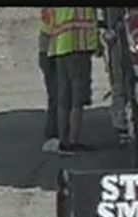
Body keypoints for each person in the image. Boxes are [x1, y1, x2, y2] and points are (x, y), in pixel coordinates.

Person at [41, 7, 102, 154]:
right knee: (77, 98)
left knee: (63, 97)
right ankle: (73, 141)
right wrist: (98, 47)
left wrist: (44, 50)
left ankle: (63, 141)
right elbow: (90, 23)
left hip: (59, 48)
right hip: (79, 48)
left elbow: (46, 22)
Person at [101, 7, 130, 142]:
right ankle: (122, 124)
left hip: (131, 34)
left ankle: (124, 122)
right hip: (119, 39)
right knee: (119, 82)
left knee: (121, 82)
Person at [38, 9, 61, 153]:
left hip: (50, 53)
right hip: (51, 54)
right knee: (56, 97)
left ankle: (55, 135)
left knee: (56, 97)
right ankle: (52, 136)